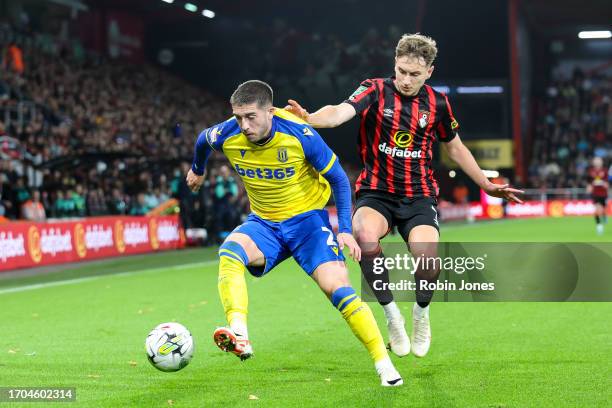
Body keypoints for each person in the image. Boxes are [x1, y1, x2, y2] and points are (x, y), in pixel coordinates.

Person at [285, 33, 523, 359]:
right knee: (364, 234)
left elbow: (454, 146)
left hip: (419, 195)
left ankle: (421, 313)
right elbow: (341, 112)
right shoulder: (374, 89)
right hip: (376, 192)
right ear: (394, 65)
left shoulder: (437, 103)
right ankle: (391, 315)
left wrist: (485, 183)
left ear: (429, 72)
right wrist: (311, 119)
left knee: (428, 261)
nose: (406, 80)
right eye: (401, 71)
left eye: (414, 74)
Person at [186, 80, 403, 386]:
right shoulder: (227, 133)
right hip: (264, 224)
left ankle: (384, 365)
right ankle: (240, 333)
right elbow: (202, 140)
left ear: (269, 112)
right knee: (229, 252)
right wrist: (198, 168)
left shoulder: (300, 135)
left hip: (308, 225)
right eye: (238, 117)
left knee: (337, 289)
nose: (244, 125)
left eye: (251, 117)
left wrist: (343, 230)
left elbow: (340, 179)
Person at [587, 157, 608, 235]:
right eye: (596, 160)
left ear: (601, 162)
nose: (597, 162)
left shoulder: (604, 171)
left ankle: (604, 215)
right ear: (593, 162)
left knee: (602, 209)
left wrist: (606, 184)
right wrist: (589, 186)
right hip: (595, 194)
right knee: (597, 209)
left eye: (599, 160)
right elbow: (589, 181)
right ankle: (599, 225)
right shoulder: (591, 171)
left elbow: (607, 182)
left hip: (603, 193)